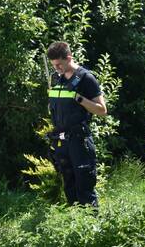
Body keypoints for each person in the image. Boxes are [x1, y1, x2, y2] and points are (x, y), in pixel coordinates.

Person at [46, 41, 108, 207]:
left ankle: (92, 227)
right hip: (61, 142)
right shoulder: (56, 79)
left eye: (59, 64)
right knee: (69, 187)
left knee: (84, 188)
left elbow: (102, 110)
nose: (56, 68)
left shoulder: (86, 78)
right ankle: (73, 225)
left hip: (80, 141)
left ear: (69, 58)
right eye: (53, 65)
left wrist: (79, 98)